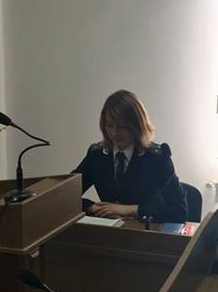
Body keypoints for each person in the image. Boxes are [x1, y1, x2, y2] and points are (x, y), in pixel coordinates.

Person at [73, 90, 187, 223]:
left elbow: (179, 211)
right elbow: (65, 196)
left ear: (137, 125)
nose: (114, 133)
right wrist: (92, 207)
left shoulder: (157, 158)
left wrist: (132, 210)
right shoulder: (97, 155)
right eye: (110, 125)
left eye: (122, 126)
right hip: (109, 230)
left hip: (143, 231)